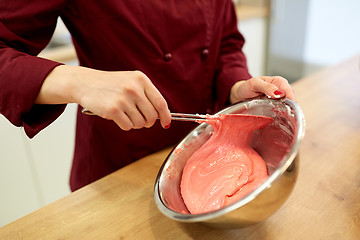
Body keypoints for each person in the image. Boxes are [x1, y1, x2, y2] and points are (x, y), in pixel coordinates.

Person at [0, 0, 295, 191]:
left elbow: (227, 41)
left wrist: (237, 85)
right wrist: (77, 80)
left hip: (206, 151)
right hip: (120, 167)